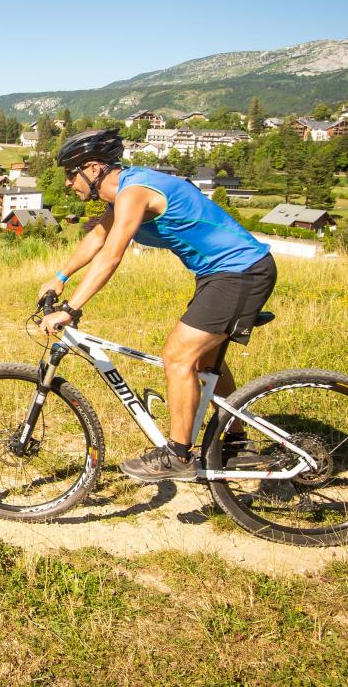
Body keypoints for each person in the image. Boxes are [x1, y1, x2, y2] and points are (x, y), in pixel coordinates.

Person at [38, 129, 276, 482]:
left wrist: (70, 308)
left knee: (178, 356)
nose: (69, 184)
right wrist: (61, 275)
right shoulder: (121, 196)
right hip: (221, 275)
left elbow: (112, 255)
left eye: (71, 174)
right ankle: (237, 443)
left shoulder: (135, 192)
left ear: (92, 168)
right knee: (205, 362)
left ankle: (178, 454)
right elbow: (97, 238)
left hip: (240, 272)